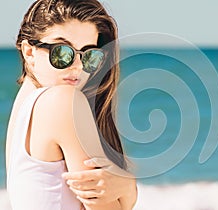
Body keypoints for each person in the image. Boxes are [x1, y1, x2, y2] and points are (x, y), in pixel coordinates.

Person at [5, 0, 137, 209]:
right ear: (29, 52)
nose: (77, 67)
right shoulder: (62, 100)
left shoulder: (26, 103)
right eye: (62, 53)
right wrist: (130, 189)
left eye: (89, 55)